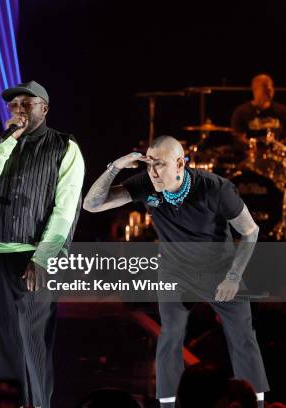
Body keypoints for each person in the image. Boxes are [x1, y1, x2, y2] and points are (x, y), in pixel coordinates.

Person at [83, 135, 269, 408]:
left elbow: (251, 231)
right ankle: (168, 404)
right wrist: (116, 167)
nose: (153, 172)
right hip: (175, 270)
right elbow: (92, 205)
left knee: (242, 334)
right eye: (149, 165)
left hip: (220, 269)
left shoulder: (215, 188)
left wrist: (233, 276)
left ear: (180, 163)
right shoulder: (147, 185)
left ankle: (256, 403)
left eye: (160, 165)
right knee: (170, 334)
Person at [0, 80, 85, 407]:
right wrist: (7, 141)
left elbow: (66, 209)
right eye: (14, 104)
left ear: (44, 109)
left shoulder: (65, 147)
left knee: (34, 340)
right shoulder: (0, 140)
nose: (19, 109)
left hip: (37, 256)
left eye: (27, 103)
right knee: (4, 340)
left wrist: (43, 256)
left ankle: (40, 404)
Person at [231, 74, 286, 142]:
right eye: (265, 86)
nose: (269, 89)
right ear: (255, 89)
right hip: (251, 151)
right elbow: (238, 137)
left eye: (271, 86)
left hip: (276, 151)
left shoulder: (282, 111)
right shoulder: (241, 112)